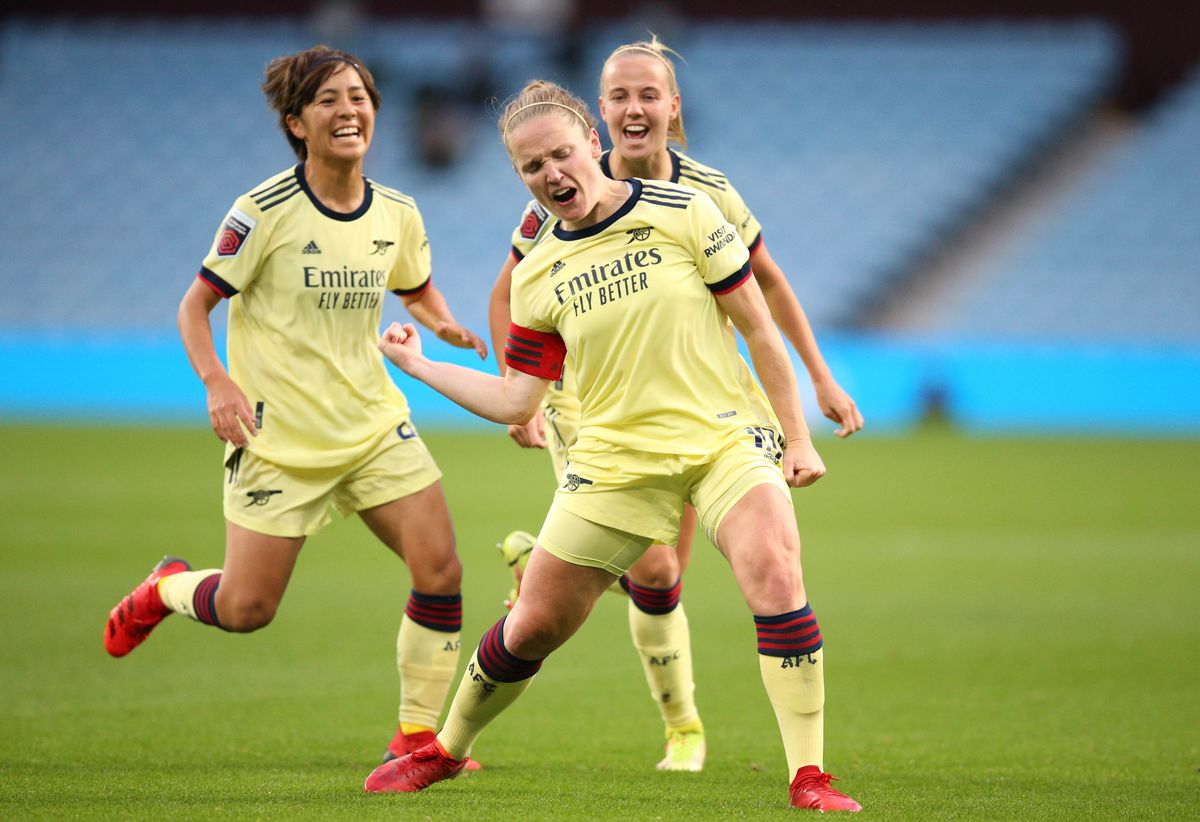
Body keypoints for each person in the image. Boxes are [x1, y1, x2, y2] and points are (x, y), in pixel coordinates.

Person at [364, 80, 861, 812]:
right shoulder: (536, 276)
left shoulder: (687, 211)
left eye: (561, 154)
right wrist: (417, 366)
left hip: (724, 440)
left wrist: (796, 438)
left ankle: (808, 777)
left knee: (775, 575)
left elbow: (758, 326)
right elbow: (514, 399)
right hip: (614, 462)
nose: (551, 175)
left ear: (593, 143)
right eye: (532, 168)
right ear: (521, 178)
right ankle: (446, 749)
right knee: (534, 625)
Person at [102, 45, 488, 769]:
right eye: (329, 101)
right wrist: (217, 383)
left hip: (373, 425)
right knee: (248, 610)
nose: (349, 111)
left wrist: (441, 325)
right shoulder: (262, 211)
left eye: (359, 96)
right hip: (279, 438)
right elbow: (194, 308)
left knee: (441, 569)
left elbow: (415, 284)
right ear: (296, 123)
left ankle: (414, 736)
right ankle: (168, 587)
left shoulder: (398, 210)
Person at [486, 36, 864, 773]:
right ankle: (684, 727)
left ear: (672, 106)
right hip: (596, 417)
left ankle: (547, 572)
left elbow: (768, 289)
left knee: (674, 572)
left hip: (701, 410)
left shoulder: (707, 194)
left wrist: (821, 378)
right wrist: (522, 400)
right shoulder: (559, 191)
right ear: (600, 113)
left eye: (648, 94)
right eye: (620, 95)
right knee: (654, 572)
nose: (635, 107)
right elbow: (510, 292)